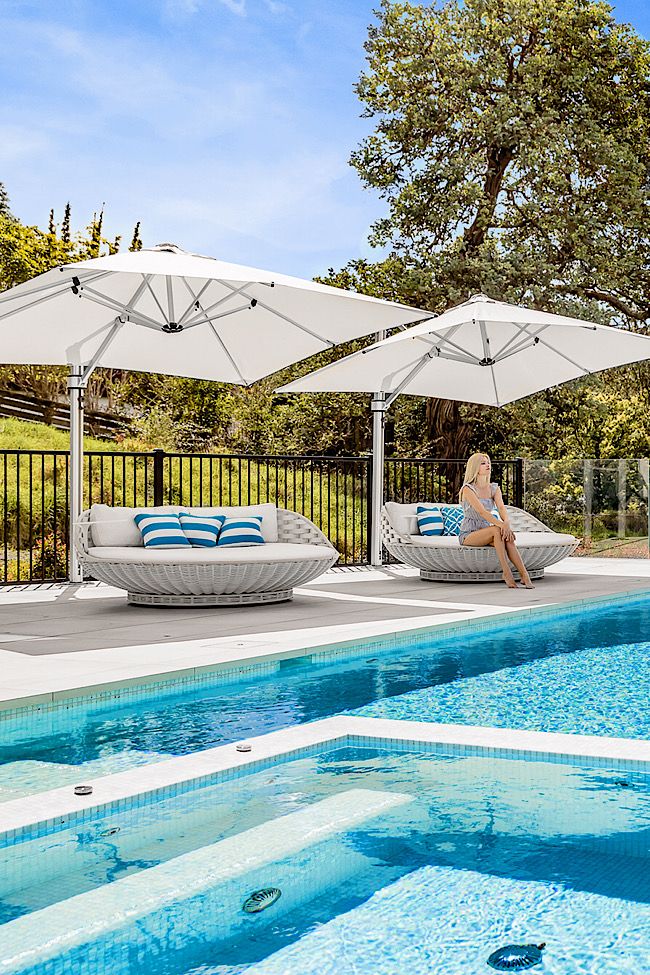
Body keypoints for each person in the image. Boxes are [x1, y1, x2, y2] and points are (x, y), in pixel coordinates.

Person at [458, 453, 534, 589]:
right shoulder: (468, 489)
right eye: (483, 463)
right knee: (497, 530)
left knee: (507, 538)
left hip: (488, 531)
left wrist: (507, 525)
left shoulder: (493, 488)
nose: (487, 465)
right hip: (469, 534)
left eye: (488, 462)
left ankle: (524, 574)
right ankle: (506, 572)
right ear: (475, 467)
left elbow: (501, 508)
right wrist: (502, 526)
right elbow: (482, 512)